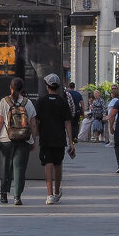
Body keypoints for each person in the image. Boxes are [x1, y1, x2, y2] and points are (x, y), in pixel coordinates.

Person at [0, 77, 37, 205]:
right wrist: (33, 141)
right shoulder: (28, 103)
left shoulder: (4, 102)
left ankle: (4, 194)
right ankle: (17, 197)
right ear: (22, 89)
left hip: (6, 139)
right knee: (19, 168)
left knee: (6, 166)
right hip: (24, 140)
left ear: (10, 88)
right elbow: (33, 124)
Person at [33, 74, 75, 204]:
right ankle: (57, 192)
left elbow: (36, 122)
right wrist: (71, 142)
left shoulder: (41, 101)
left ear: (47, 86)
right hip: (59, 137)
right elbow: (67, 122)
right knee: (58, 164)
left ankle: (49, 194)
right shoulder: (63, 101)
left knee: (48, 164)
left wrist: (35, 137)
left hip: (46, 137)